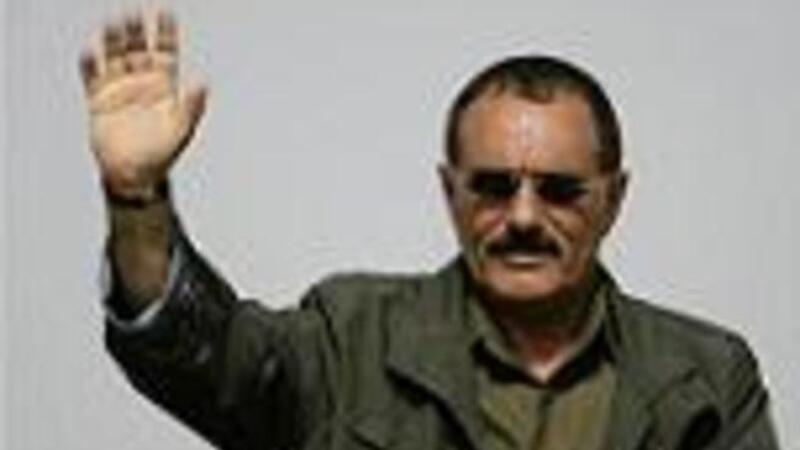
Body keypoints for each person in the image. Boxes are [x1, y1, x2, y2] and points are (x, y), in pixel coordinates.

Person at [80, 9, 781, 450]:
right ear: (450, 192)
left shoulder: (707, 378)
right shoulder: (348, 339)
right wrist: (135, 196)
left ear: (613, 199)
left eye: (560, 191)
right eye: (494, 187)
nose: (524, 217)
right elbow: (203, 358)